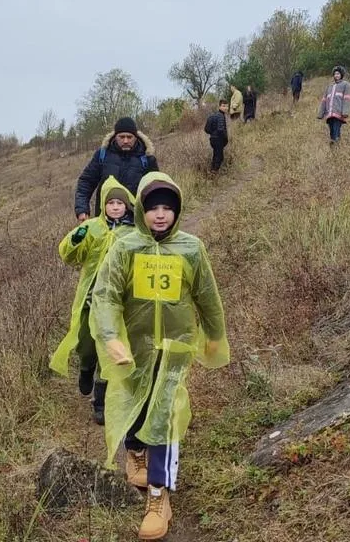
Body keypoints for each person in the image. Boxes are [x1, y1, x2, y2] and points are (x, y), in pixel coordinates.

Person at [91, 172, 230, 541]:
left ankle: (158, 496)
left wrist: (214, 336)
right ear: (141, 210)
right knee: (136, 403)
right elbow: (105, 296)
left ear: (178, 211)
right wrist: (109, 337)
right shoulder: (125, 247)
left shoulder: (190, 248)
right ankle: (134, 450)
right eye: (153, 207)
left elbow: (207, 297)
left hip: (175, 349)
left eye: (168, 207)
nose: (160, 215)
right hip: (134, 348)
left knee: (165, 413)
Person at [51, 176, 136, 425]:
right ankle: (85, 368)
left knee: (109, 353)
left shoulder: (133, 232)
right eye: (111, 203)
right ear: (103, 205)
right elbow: (69, 255)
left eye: (120, 202)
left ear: (128, 205)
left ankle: (100, 402)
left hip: (118, 305)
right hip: (90, 301)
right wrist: (75, 240)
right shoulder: (92, 228)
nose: (116, 207)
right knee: (87, 347)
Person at [73, 117, 158, 221]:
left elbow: (155, 189)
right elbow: (86, 181)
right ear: (115, 136)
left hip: (135, 222)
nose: (125, 141)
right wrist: (82, 209)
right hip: (105, 221)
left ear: (136, 137)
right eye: (121, 137)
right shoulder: (102, 155)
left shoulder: (146, 158)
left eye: (129, 137)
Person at [317, 65, 350, 144]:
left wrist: (345, 112)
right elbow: (324, 100)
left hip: (338, 113)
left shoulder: (346, 85)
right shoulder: (330, 87)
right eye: (335, 74)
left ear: (341, 75)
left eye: (338, 74)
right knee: (332, 132)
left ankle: (335, 146)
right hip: (329, 114)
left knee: (336, 131)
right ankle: (335, 147)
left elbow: (347, 99)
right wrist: (320, 113)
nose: (336, 75)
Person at [203, 100, 230, 172]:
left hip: (212, 140)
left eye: (227, 106)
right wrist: (225, 139)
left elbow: (206, 129)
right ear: (219, 106)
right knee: (220, 158)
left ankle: (212, 171)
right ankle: (214, 174)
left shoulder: (212, 116)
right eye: (223, 106)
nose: (226, 108)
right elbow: (221, 130)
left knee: (215, 156)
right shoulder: (221, 116)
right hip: (219, 140)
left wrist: (212, 134)